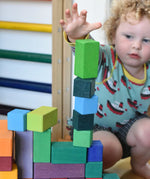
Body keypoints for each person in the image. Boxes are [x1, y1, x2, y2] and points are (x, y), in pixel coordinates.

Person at [60, 0, 150, 178]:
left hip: (128, 130)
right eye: (129, 36)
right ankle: (90, 169)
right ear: (113, 34)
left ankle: (139, 164)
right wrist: (77, 37)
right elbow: (87, 52)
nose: (136, 45)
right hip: (94, 129)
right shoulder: (108, 56)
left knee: (148, 130)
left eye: (146, 40)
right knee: (108, 148)